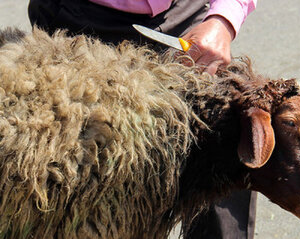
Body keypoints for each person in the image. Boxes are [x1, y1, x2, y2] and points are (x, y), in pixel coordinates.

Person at [28, 1, 258, 238]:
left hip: (186, 17)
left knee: (225, 136)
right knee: (89, 171)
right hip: (83, 20)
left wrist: (222, 19)